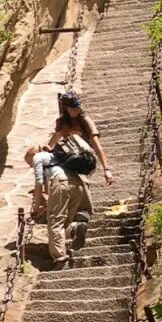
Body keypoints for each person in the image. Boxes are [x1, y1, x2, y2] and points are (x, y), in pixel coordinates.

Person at [41, 91, 114, 246]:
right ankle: (75, 227)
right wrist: (47, 148)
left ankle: (80, 223)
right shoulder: (62, 122)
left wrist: (106, 169)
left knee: (82, 190)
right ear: (66, 108)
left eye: (77, 107)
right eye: (72, 108)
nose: (76, 110)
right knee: (70, 191)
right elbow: (55, 139)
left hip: (84, 162)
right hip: (67, 162)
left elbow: (97, 146)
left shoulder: (85, 121)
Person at [24, 143, 70, 269]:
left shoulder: (37, 157)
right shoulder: (50, 156)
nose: (30, 166)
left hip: (59, 182)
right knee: (64, 215)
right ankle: (75, 231)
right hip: (70, 182)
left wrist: (36, 206)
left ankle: (60, 259)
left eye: (29, 163)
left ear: (31, 155)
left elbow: (38, 182)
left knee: (54, 220)